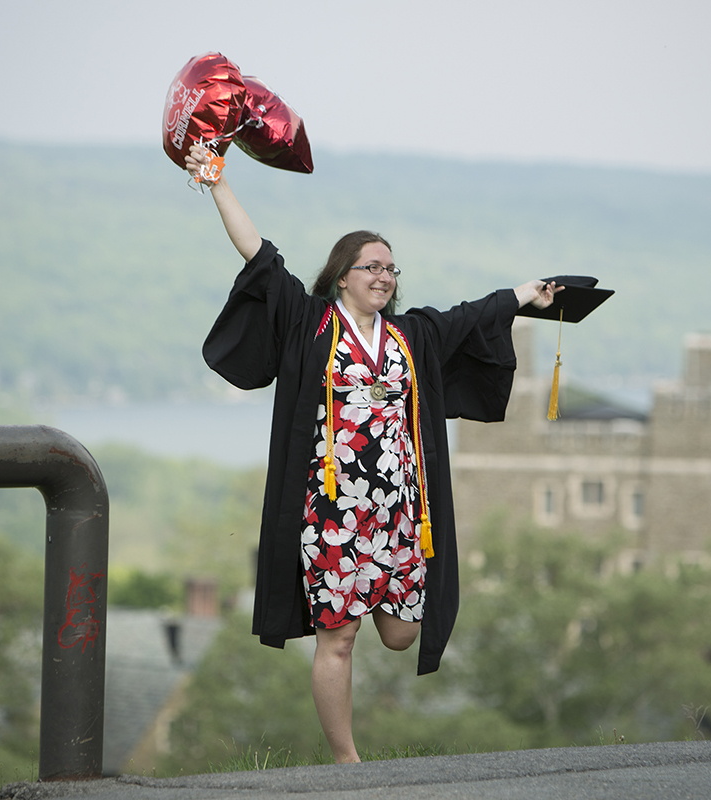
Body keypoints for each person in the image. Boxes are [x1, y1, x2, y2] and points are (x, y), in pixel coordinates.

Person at [185, 144, 560, 763]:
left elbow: (473, 316)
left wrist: (528, 293)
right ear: (342, 275)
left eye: (391, 268)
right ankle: (346, 763)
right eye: (372, 266)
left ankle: (371, 622)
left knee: (400, 633)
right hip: (331, 508)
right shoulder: (311, 324)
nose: (385, 275)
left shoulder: (410, 335)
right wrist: (220, 182)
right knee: (341, 637)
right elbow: (259, 254)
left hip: (400, 511)